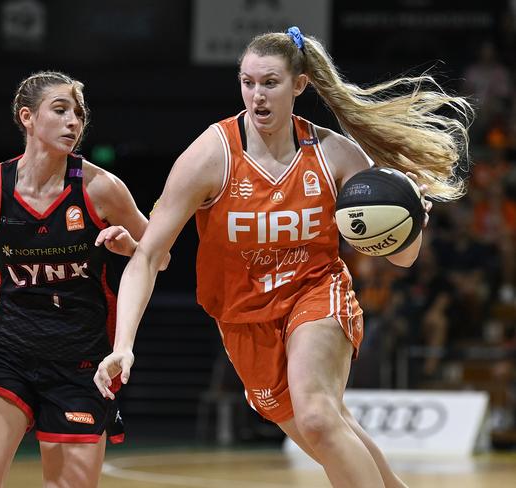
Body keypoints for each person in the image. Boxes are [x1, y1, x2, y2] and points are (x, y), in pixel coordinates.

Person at [94, 28, 472, 488]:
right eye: (247, 82)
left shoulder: (335, 154)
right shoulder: (210, 157)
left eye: (269, 82)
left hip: (316, 295)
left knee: (316, 416)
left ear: (299, 85)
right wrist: (124, 344)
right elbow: (150, 255)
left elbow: (403, 260)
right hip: (242, 319)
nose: (256, 94)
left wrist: (410, 222)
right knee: (329, 430)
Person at [0, 71, 161, 487]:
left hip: (80, 363)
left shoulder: (101, 188)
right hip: (7, 353)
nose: (73, 122)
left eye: (78, 114)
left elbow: (159, 256)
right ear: (27, 117)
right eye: (60, 110)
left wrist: (133, 247)